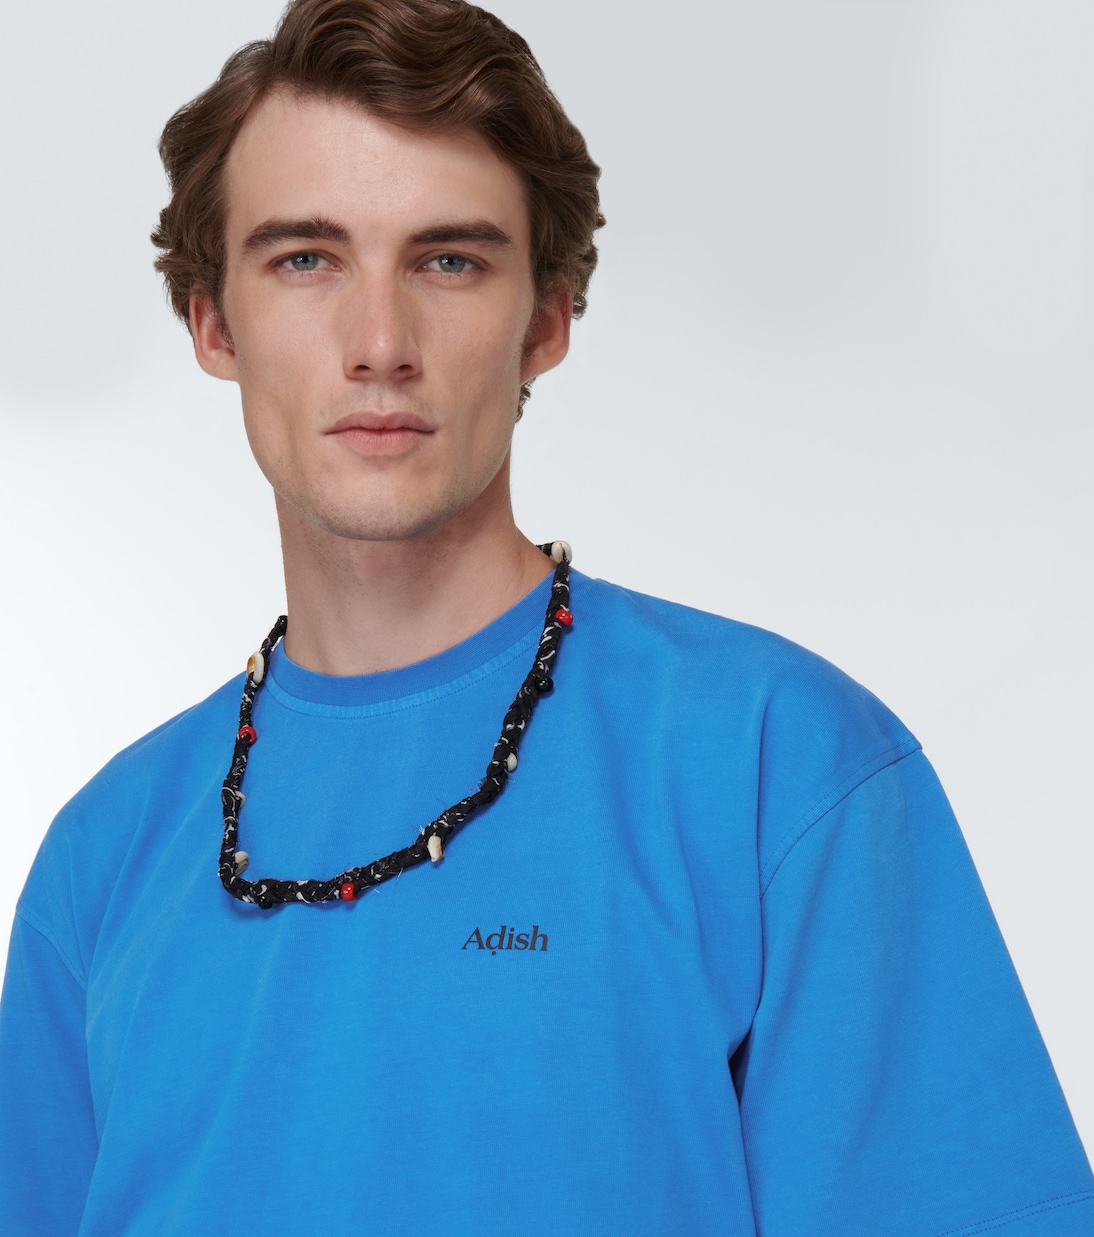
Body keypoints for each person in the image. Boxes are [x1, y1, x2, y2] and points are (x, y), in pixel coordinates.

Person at [0, 0, 1090, 1232]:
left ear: (547, 320)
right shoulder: (100, 859)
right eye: (304, 258)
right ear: (213, 323)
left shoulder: (775, 764)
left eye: (448, 261)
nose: (378, 342)